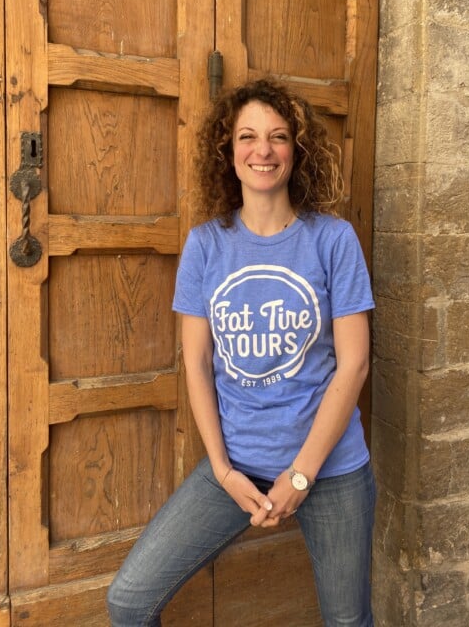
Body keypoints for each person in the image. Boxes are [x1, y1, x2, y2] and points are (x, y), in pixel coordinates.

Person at [107, 78, 376, 626]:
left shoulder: (333, 239)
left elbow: (355, 362)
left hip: (331, 468)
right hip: (237, 468)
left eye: (278, 137)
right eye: (248, 137)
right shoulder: (207, 244)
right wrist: (226, 471)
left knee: (349, 623)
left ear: (296, 152)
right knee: (128, 601)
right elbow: (197, 363)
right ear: (228, 153)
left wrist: (300, 476)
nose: (263, 150)